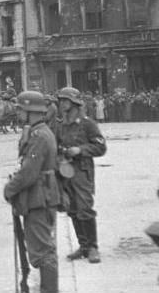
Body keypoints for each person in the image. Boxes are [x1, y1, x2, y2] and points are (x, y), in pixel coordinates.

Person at [4, 90, 60, 293]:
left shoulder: (40, 135)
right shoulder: (37, 132)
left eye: (20, 110)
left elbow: (29, 172)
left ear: (30, 111)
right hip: (39, 196)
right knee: (42, 249)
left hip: (39, 197)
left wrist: (10, 189)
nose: (18, 114)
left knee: (43, 252)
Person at [54, 87, 107, 264]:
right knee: (73, 209)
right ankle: (83, 246)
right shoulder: (61, 125)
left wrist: (81, 150)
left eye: (65, 101)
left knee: (85, 208)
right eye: (60, 101)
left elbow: (101, 147)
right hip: (66, 171)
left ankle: (93, 247)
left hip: (82, 172)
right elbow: (57, 145)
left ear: (75, 102)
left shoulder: (87, 124)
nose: (62, 104)